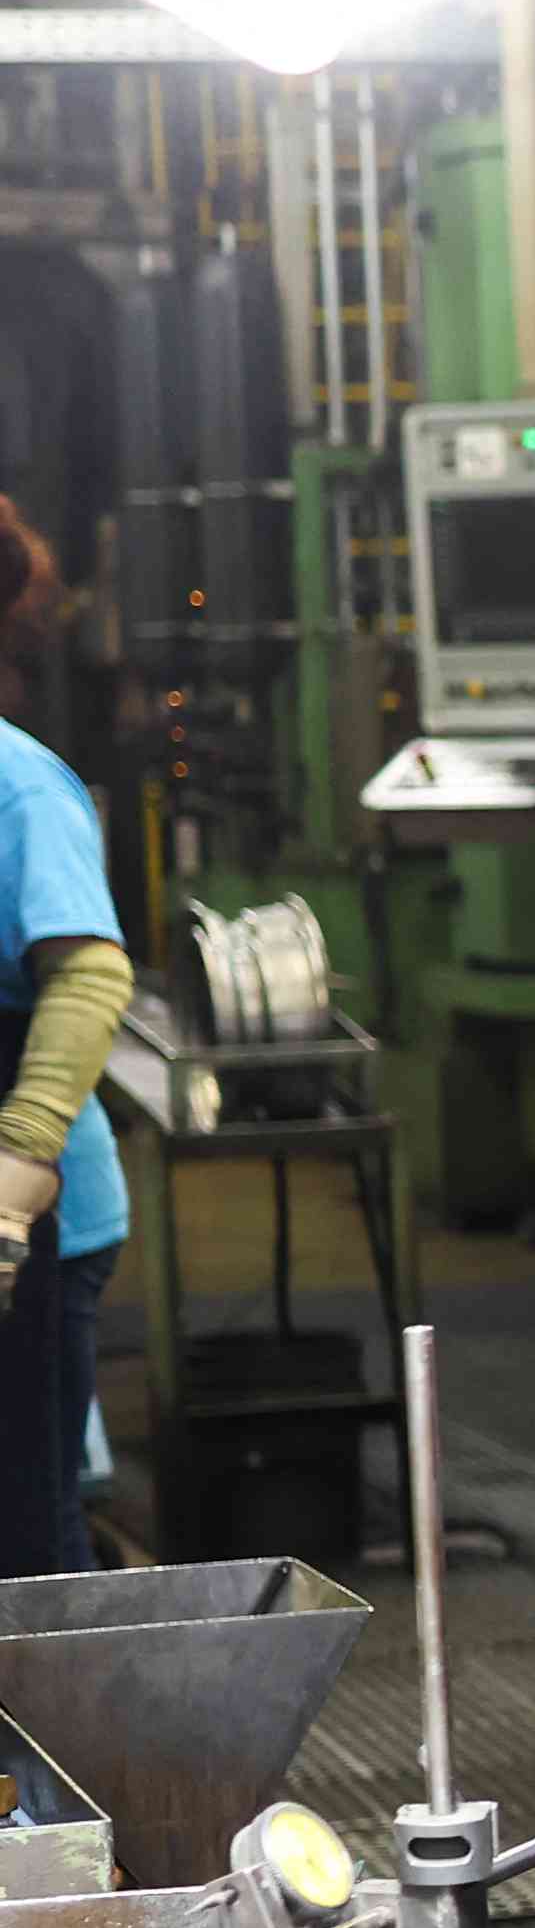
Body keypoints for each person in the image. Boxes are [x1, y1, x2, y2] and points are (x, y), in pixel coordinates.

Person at [0, 493, 135, 1577]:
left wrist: (14, 1171)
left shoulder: (20, 781)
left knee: (26, 1522)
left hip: (39, 1213)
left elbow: (88, 976)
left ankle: (45, 1752)